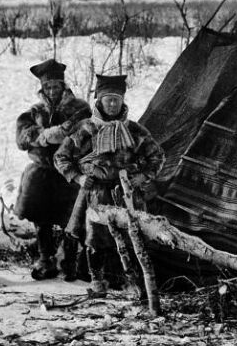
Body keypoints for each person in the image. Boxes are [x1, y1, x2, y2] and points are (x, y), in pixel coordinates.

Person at [54, 74, 164, 294]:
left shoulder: (134, 130)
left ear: (123, 101)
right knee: (96, 238)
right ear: (99, 101)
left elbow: (157, 157)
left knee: (132, 236)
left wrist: (142, 177)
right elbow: (61, 157)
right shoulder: (86, 129)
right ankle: (97, 280)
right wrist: (78, 177)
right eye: (108, 99)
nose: (112, 104)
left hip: (128, 193)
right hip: (96, 192)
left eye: (116, 99)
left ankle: (131, 280)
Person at [14, 59, 92, 281]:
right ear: (42, 88)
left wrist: (68, 134)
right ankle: (45, 257)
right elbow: (22, 139)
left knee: (73, 217)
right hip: (43, 172)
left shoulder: (80, 108)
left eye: (56, 86)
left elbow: (87, 133)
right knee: (41, 216)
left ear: (63, 86)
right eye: (48, 87)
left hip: (69, 172)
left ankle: (70, 259)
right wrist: (44, 136)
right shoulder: (35, 111)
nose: (52, 90)